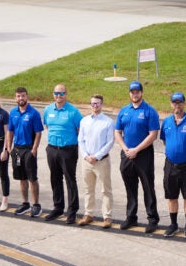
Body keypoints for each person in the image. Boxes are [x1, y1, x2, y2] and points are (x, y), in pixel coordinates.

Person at [114, 81, 160, 233]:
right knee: (130, 187)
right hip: (127, 153)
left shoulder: (149, 111)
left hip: (143, 154)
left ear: (142, 92)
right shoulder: (124, 111)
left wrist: (137, 149)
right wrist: (125, 148)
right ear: (130, 93)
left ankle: (152, 219)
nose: (135, 94)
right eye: (132, 92)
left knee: (148, 187)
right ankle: (131, 217)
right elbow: (117, 132)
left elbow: (153, 135)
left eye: (137, 92)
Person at [43, 84, 84, 224]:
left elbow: (80, 130)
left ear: (66, 94)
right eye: (56, 93)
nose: (58, 96)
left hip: (68, 150)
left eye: (61, 93)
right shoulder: (48, 110)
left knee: (70, 180)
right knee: (55, 179)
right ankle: (58, 208)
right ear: (53, 94)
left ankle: (72, 211)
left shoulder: (73, 112)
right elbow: (47, 126)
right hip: (52, 149)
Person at [160, 92, 186, 238]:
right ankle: (173, 224)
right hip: (170, 165)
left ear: (184, 104)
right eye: (175, 103)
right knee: (172, 196)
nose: (177, 105)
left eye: (180, 102)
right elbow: (164, 141)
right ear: (171, 104)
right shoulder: (166, 122)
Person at [78, 94, 115, 229]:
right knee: (88, 189)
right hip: (87, 161)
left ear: (102, 104)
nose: (95, 106)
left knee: (105, 190)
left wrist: (97, 156)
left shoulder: (108, 122)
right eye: (93, 103)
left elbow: (110, 142)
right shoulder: (84, 121)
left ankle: (107, 216)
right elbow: (81, 140)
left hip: (101, 161)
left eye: (97, 103)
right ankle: (88, 214)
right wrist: (86, 156)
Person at [7, 87, 44, 218]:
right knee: (21, 178)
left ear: (27, 96)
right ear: (15, 98)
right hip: (17, 150)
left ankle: (36, 205)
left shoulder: (33, 113)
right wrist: (9, 147)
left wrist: (34, 150)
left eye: (23, 96)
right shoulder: (13, 112)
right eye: (18, 96)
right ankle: (25, 203)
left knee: (32, 178)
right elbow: (10, 131)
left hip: (29, 149)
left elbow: (38, 133)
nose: (21, 98)